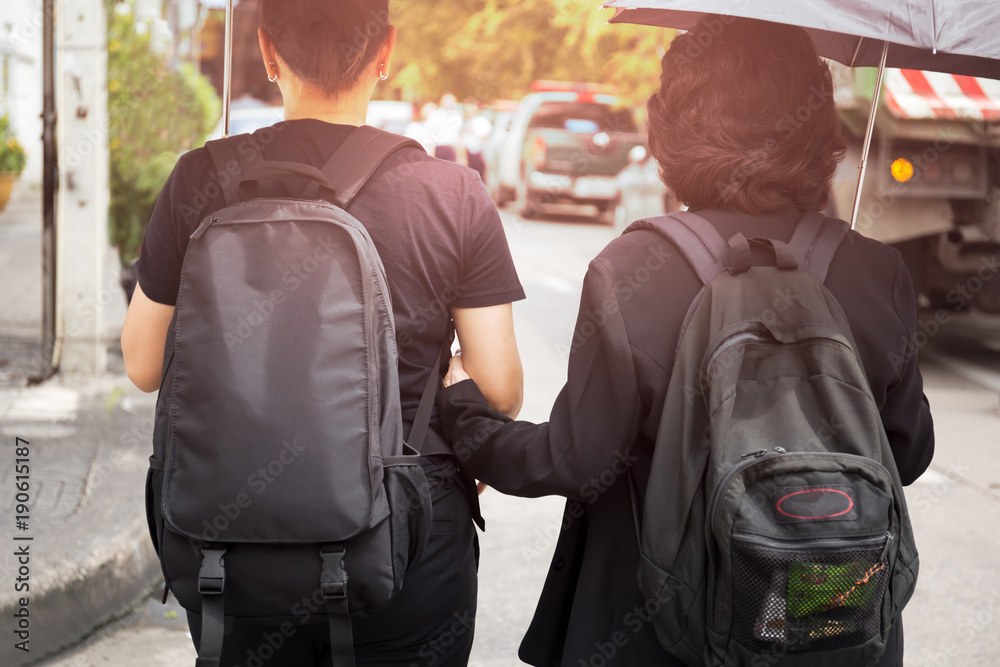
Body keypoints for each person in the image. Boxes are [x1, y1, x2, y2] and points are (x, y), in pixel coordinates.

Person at [435, 17, 934, 667]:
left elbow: (576, 459)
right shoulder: (875, 270)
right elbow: (908, 452)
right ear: (816, 129)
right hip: (825, 623)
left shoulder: (630, 267)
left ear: (671, 128)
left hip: (660, 630)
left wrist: (465, 414)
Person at [120, 0, 525, 664]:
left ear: (269, 51)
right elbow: (501, 390)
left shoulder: (200, 178)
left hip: (233, 545)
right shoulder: (449, 191)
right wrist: (454, 376)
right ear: (386, 51)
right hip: (408, 534)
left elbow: (142, 364)